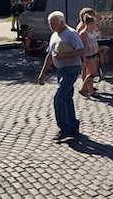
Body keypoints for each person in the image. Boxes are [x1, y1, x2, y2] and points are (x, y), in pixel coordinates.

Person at [38, 11, 85, 140]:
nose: (51, 26)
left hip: (71, 69)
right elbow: (50, 56)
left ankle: (64, 128)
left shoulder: (71, 34)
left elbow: (81, 50)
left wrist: (65, 56)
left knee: (58, 97)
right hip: (60, 69)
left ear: (62, 22)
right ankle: (72, 126)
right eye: (50, 23)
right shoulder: (54, 35)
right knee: (66, 98)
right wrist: (43, 74)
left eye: (53, 23)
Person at [79, 15, 100, 98]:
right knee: (93, 73)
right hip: (87, 55)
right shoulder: (84, 33)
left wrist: (99, 55)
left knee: (90, 73)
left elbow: (96, 43)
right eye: (94, 22)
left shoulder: (93, 32)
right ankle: (83, 89)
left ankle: (91, 91)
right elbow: (82, 46)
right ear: (90, 23)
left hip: (94, 53)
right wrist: (84, 58)